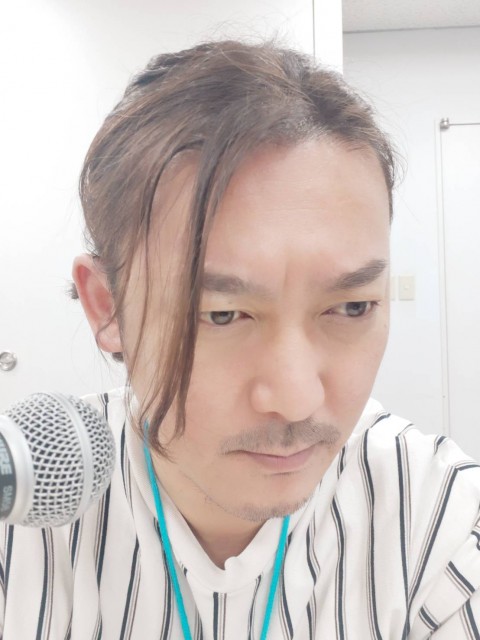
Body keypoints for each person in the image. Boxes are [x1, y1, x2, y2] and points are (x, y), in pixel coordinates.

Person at [1, 40, 480, 640]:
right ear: (107, 304)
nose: (297, 400)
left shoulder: (436, 521)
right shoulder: (22, 527)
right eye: (223, 315)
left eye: (351, 307)